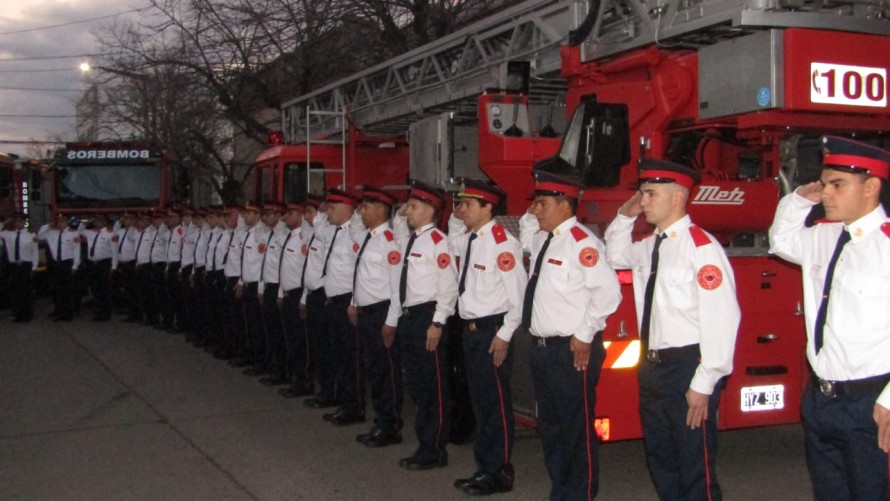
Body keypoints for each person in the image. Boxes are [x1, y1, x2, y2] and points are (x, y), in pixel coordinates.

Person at [605, 159, 739, 501]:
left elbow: (723, 318)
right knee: (662, 458)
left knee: (695, 464)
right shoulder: (651, 245)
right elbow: (615, 254)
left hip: (686, 367)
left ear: (677, 197)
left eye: (650, 193)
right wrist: (625, 214)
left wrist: (705, 381)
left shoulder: (701, 248)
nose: (644, 201)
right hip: (653, 366)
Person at [768, 136, 890, 500]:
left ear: (871, 187)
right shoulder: (824, 235)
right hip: (822, 398)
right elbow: (781, 241)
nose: (826, 194)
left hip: (871, 400)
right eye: (824, 183)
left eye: (837, 184)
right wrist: (797, 200)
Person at [521, 167, 621, 500]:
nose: (535, 210)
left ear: (565, 205)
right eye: (535, 203)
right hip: (543, 350)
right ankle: (561, 490)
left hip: (570, 351)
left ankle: (579, 494)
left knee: (575, 428)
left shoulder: (583, 243)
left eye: (542, 203)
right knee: (550, 427)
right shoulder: (540, 239)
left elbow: (608, 295)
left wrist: (585, 334)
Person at [450, 179, 526, 495]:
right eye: (459, 203)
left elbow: (518, 296)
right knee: (481, 404)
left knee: (494, 404)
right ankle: (484, 467)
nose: (461, 209)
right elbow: (452, 237)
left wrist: (505, 335)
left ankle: (499, 473)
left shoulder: (502, 243)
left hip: (491, 331)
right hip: (471, 331)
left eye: (468, 204)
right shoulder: (471, 239)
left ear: (488, 207)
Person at [385, 181, 458, 471]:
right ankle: (424, 444)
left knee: (433, 387)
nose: (408, 211)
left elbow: (449, 287)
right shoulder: (411, 240)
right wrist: (400, 215)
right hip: (409, 318)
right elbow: (398, 232)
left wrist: (438, 322)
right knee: (417, 383)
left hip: (428, 318)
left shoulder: (440, 242)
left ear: (430, 210)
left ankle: (435, 449)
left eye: (414, 206)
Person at [350, 187, 404, 447]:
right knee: (373, 369)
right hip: (366, 312)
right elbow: (361, 276)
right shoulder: (370, 238)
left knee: (386, 372)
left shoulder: (389, 241)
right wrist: (354, 303)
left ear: (381, 210)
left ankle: (390, 426)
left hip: (382, 313)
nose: (362, 211)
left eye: (366, 207)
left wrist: (391, 322)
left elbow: (396, 288)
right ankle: (381, 420)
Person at [317, 189, 364, 426]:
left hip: (348, 303)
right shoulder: (332, 232)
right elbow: (317, 227)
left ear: (347, 209)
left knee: (350, 358)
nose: (329, 211)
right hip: (333, 302)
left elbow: (359, 273)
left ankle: (354, 407)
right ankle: (343, 401)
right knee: (337, 356)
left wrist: (354, 302)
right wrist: (320, 211)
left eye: (333, 207)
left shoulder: (355, 235)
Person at [280, 195, 322, 398]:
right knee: (292, 340)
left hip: (302, 291)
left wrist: (303, 297)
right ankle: (296, 377)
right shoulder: (298, 236)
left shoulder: (309, 238)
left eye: (308, 213)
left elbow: (310, 271)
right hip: (292, 292)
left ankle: (304, 380)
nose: (306, 217)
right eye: (303, 213)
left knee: (301, 341)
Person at [256, 201, 290, 385]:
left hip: (279, 287)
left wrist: (280, 292)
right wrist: (261, 289)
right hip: (268, 286)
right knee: (270, 331)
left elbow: (284, 268)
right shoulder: (267, 234)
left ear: (279, 215)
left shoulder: (283, 235)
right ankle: (274, 366)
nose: (264, 217)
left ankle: (282, 371)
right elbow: (264, 265)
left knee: (280, 333)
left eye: (269, 214)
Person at [80, 214, 118, 321]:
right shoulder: (90, 232)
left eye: (100, 221)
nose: (98, 223)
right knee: (95, 289)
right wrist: (87, 222)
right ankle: (98, 311)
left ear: (105, 222)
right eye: (96, 221)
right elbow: (79, 231)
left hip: (104, 263)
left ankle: (105, 313)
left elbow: (114, 251)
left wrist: (114, 266)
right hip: (92, 264)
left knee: (104, 289)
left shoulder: (110, 234)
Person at [0, 212, 38, 322]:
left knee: (26, 291)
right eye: (16, 221)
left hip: (25, 265)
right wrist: (7, 221)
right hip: (13, 266)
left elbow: (34, 252)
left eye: (20, 221)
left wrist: (34, 267)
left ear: (24, 222)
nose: (18, 223)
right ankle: (18, 313)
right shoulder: (8, 234)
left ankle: (27, 314)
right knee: (15, 291)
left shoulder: (31, 235)